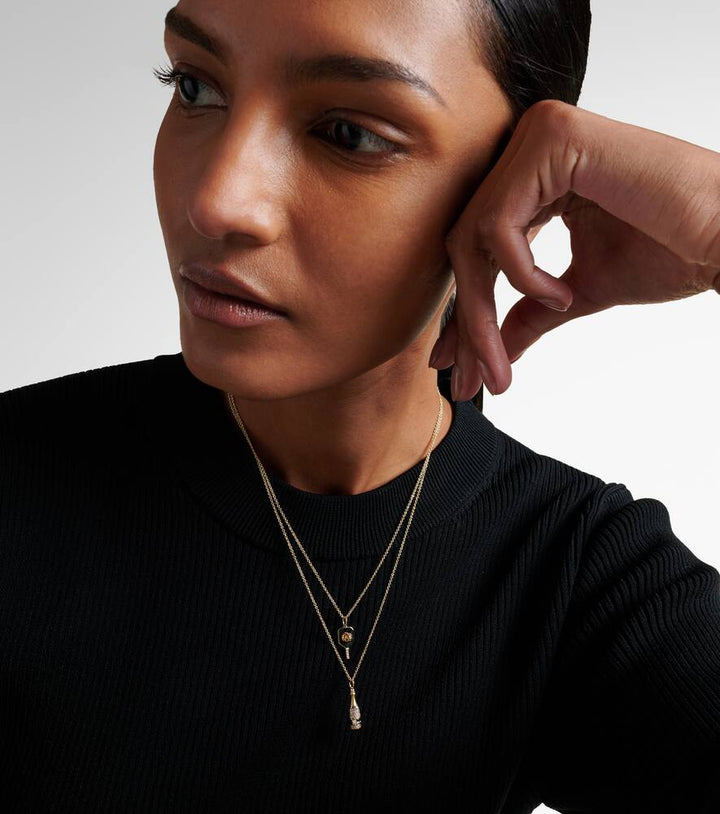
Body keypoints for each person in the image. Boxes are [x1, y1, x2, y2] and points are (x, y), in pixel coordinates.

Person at [1, 1, 718, 812]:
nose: (216, 201)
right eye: (195, 85)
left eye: (348, 134)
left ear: (519, 185)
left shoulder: (573, 576)